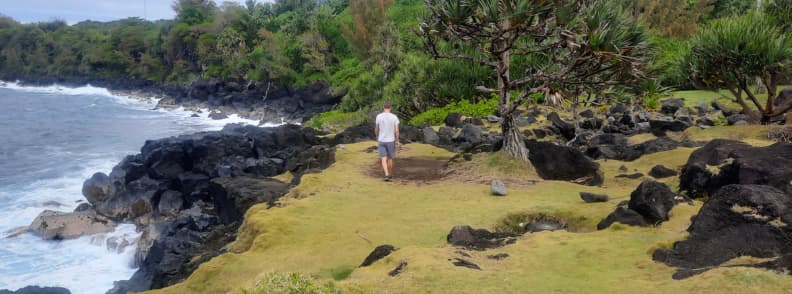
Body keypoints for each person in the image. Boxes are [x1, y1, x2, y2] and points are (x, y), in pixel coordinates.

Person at [375, 101, 400, 181]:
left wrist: (377, 136)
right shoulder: (394, 117)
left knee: (383, 158)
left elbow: (376, 128)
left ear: (383, 107)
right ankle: (389, 174)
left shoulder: (379, 116)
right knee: (390, 158)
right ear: (390, 108)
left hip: (381, 140)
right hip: (390, 140)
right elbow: (397, 130)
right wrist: (397, 140)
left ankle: (386, 174)